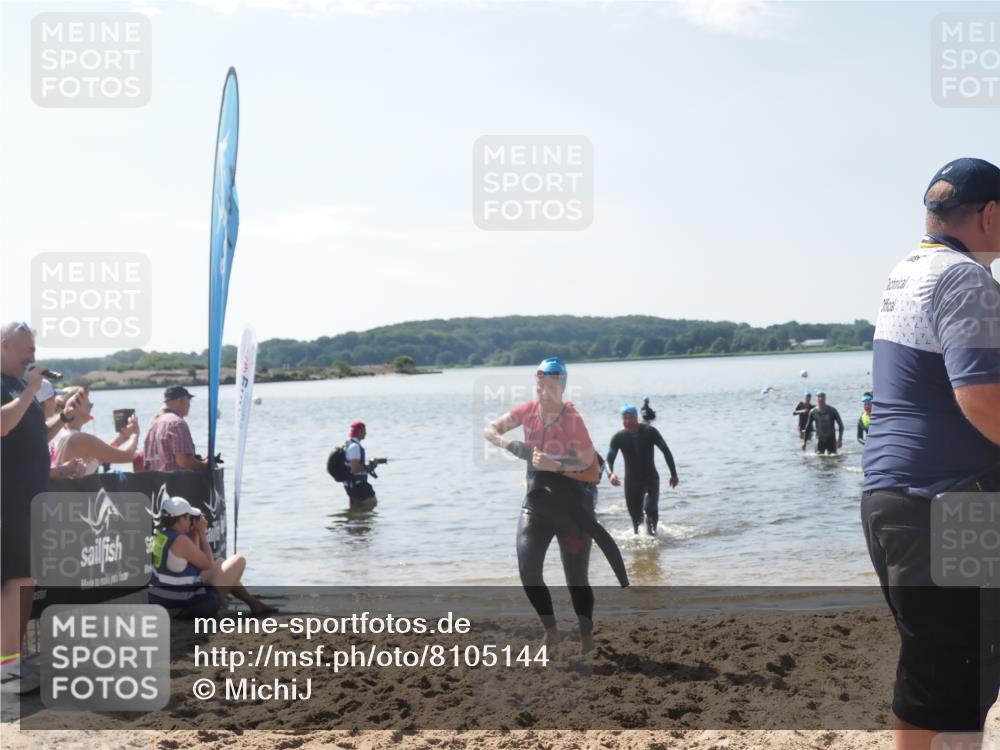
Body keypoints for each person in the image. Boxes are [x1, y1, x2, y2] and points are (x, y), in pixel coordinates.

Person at [862, 157, 1000, 746]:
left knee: (947, 676)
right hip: (946, 501)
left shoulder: (910, 271)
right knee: (949, 680)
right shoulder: (965, 279)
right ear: (991, 216)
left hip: (895, 499)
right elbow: (981, 399)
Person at [483, 357, 628, 655]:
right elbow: (490, 429)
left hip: (573, 509)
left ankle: (586, 636)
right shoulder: (527, 412)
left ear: (561, 387)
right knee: (528, 572)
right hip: (536, 504)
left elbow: (590, 472)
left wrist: (556, 465)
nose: (544, 392)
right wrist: (512, 446)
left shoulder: (573, 420)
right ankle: (552, 631)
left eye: (550, 386)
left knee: (576, 580)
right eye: (540, 385)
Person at [0, 321, 87, 693]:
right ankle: (7, 671)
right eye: (27, 349)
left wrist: (63, 418)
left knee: (25, 582)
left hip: (30, 500)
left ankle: (12, 662)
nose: (33, 356)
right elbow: (3, 425)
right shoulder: (14, 387)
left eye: (35, 349)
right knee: (16, 581)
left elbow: (35, 434)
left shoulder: (20, 386)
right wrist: (34, 388)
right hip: (10, 500)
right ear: (4, 345)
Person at [149, 496, 274, 617]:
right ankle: (216, 609)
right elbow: (208, 564)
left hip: (164, 602)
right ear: (181, 519)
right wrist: (202, 533)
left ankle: (253, 603)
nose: (191, 520)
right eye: (189, 517)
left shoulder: (161, 534)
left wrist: (195, 534)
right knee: (239, 560)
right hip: (183, 607)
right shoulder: (180, 540)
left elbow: (196, 565)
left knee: (220, 563)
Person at [607, 404, 679, 535]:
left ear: (636, 417)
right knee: (636, 519)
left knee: (650, 508)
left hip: (650, 478)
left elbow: (666, 451)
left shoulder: (650, 432)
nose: (627, 421)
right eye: (625, 418)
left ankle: (653, 539)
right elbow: (609, 459)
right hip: (632, 482)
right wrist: (610, 474)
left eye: (630, 418)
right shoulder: (619, 437)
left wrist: (673, 474)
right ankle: (640, 548)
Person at [51, 386, 140, 476]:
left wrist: (121, 439)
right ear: (74, 406)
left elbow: (100, 457)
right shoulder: (80, 439)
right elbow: (127, 456)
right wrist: (135, 435)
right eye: (90, 405)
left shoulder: (57, 433)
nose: (91, 408)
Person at [144, 386, 208, 472]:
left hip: (156, 483)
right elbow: (184, 461)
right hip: (176, 483)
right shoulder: (177, 423)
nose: (189, 404)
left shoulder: (154, 424)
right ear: (182, 400)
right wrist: (205, 465)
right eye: (189, 399)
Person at [342, 421, 379, 510]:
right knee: (372, 503)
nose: (366, 433)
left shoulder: (347, 444)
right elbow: (354, 469)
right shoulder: (355, 447)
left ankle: (355, 521)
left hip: (350, 485)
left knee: (356, 510)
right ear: (359, 432)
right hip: (358, 485)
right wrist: (370, 467)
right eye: (364, 431)